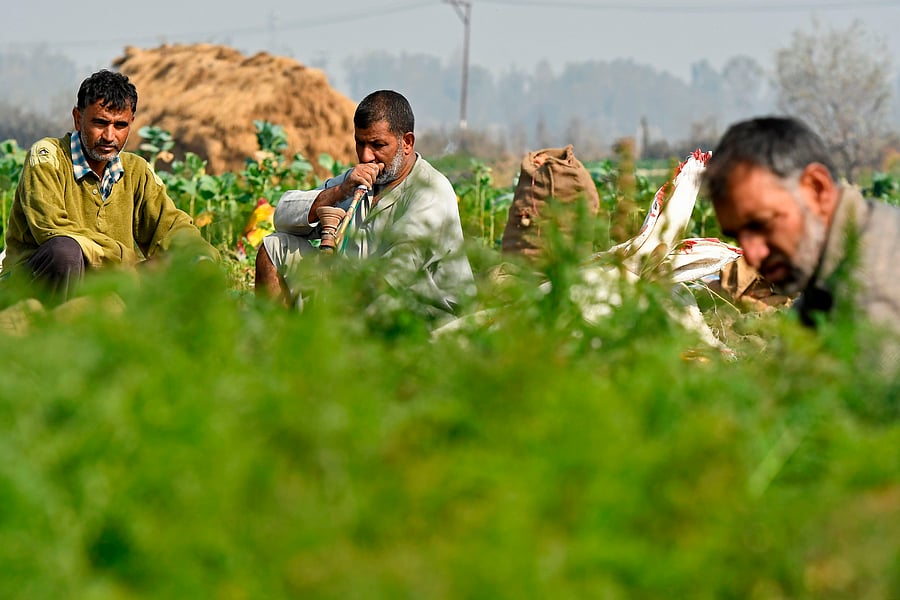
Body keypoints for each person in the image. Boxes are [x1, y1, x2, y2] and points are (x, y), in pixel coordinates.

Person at [2, 69, 216, 301]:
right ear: (77, 118)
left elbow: (172, 225)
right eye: (100, 123)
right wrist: (128, 262)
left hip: (107, 285)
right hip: (34, 285)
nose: (109, 136)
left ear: (131, 123)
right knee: (65, 251)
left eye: (120, 125)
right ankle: (48, 329)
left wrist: (199, 256)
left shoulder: (136, 170)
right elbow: (51, 228)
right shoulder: (48, 156)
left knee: (180, 265)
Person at [256, 89, 474, 316]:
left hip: (416, 316)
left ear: (407, 143)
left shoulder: (431, 191)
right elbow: (282, 216)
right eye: (360, 144)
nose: (366, 156)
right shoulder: (358, 183)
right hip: (353, 298)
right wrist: (338, 192)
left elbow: (394, 274)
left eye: (378, 145)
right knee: (275, 247)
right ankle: (275, 346)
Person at [704, 116, 900, 346]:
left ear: (817, 188)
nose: (752, 255)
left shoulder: (870, 300)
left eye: (762, 224)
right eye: (737, 237)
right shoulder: (858, 237)